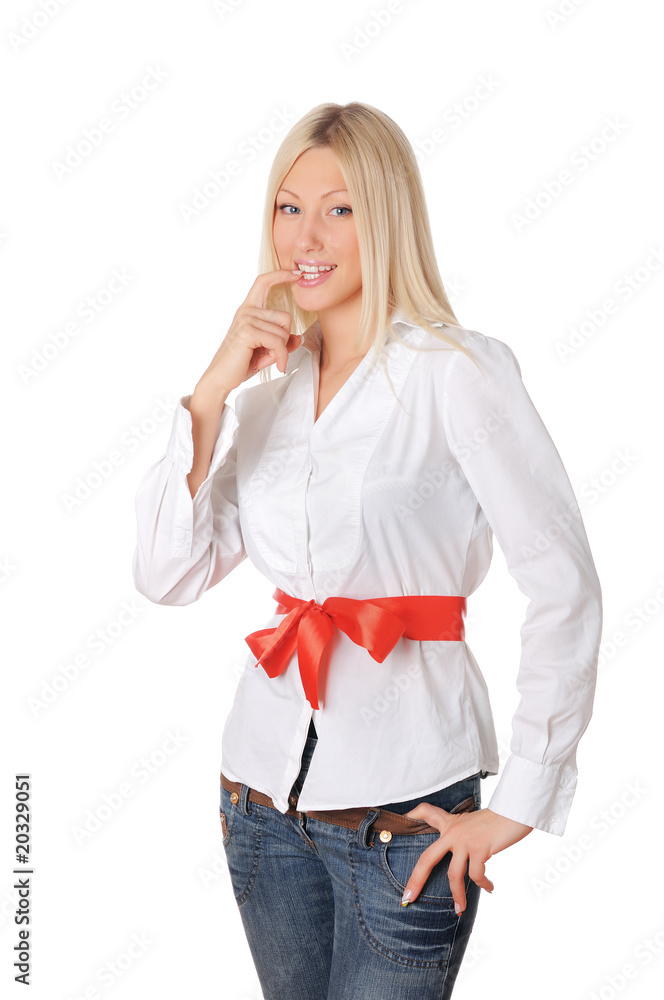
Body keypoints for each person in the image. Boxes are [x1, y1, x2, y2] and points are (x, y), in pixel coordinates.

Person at [131, 101, 603, 999]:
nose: (305, 237)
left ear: (386, 218)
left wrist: (521, 802)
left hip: (407, 817)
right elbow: (165, 573)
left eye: (339, 209)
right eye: (288, 207)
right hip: (260, 807)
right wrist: (211, 391)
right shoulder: (265, 398)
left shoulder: (459, 373)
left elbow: (564, 583)